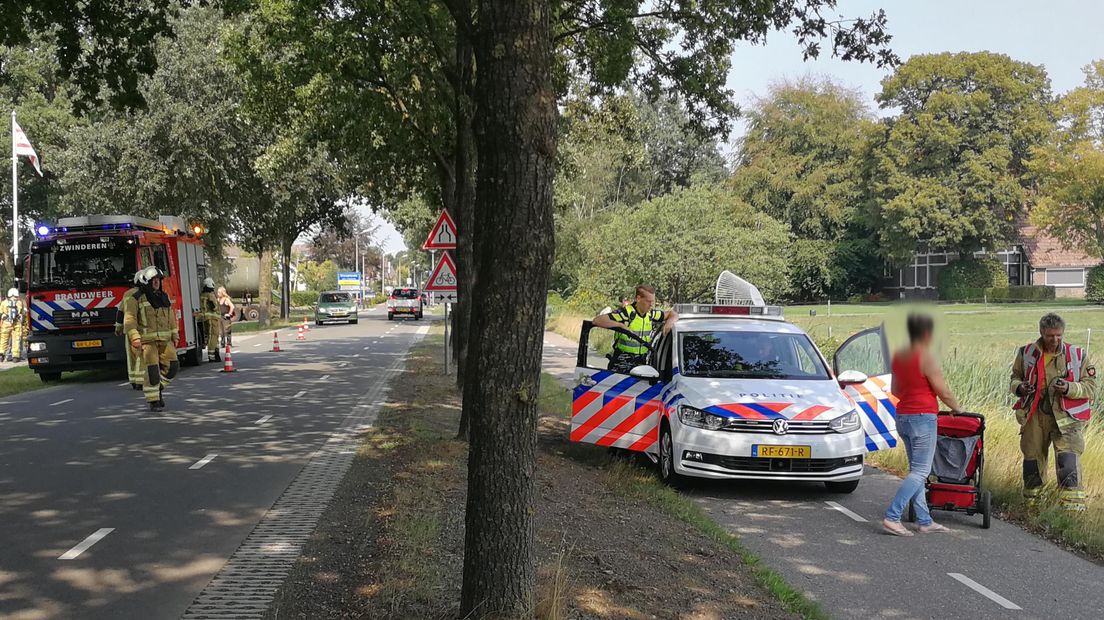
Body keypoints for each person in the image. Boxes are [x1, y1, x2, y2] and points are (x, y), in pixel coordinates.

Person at [883, 313, 962, 537]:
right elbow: (943, 391)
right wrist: (957, 409)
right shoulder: (926, 356)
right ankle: (892, 516)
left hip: (903, 417)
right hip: (923, 417)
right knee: (921, 471)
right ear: (927, 333)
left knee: (915, 470)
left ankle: (924, 520)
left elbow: (895, 390)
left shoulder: (899, 355)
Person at [1010, 313, 1095, 513]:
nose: (1055, 340)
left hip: (1066, 419)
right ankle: (1032, 509)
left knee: (1068, 463)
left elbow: (1090, 387)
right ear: (1041, 332)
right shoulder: (1026, 353)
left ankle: (1071, 513)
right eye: (1050, 336)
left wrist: (1068, 388)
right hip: (1034, 417)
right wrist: (1021, 387)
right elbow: (1014, 378)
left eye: (1058, 335)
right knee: (1032, 463)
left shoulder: (1077, 354)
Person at [123, 267, 179, 411]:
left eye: (158, 280)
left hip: (165, 341)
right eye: (154, 280)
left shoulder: (163, 297)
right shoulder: (136, 298)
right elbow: (130, 320)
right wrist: (134, 337)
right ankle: (154, 400)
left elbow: (171, 318)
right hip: (147, 342)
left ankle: (157, 388)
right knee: (152, 371)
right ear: (147, 281)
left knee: (173, 366)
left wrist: (175, 334)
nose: (156, 283)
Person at [592, 285, 679, 373]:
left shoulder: (651, 314)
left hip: (641, 363)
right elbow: (597, 321)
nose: (651, 304)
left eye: (653, 301)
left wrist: (670, 322)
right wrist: (620, 326)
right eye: (648, 301)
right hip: (622, 363)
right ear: (638, 298)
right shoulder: (626, 313)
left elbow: (673, 314)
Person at [115, 274, 145, 389]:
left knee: (131, 355)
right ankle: (140, 380)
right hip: (141, 328)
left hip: (128, 328)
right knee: (141, 354)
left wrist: (118, 327)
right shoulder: (145, 294)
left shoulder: (127, 294)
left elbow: (120, 312)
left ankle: (133, 379)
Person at [0, 288, 25, 363]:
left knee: (4, 339)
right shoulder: (19, 303)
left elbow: (1, 312)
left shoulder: (4, 303)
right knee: (16, 339)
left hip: (6, 323)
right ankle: (15, 357)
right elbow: (22, 313)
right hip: (16, 323)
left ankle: (1, 355)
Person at [200, 278, 221, 362]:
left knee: (213, 336)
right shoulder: (210, 295)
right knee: (213, 336)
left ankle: (216, 353)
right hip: (212, 319)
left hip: (207, 318)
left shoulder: (203, 295)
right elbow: (214, 306)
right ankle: (212, 355)